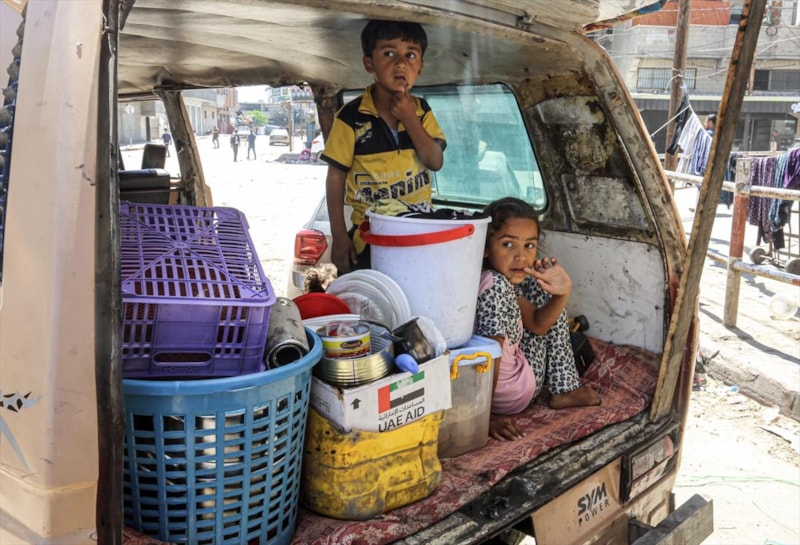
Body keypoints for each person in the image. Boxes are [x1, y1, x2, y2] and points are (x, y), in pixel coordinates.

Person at [321, 19, 446, 275]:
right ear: (369, 63)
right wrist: (339, 235)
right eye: (389, 53)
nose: (401, 63)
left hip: (418, 233)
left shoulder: (421, 111)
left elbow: (435, 161)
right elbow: (335, 177)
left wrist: (409, 119)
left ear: (420, 67)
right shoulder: (350, 117)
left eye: (410, 55)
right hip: (370, 236)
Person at [475, 197, 601, 442]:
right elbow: (491, 350)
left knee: (537, 284)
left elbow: (536, 324)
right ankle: (565, 389)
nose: (521, 256)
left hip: (499, 390)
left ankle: (564, 387)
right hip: (509, 395)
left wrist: (562, 292)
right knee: (542, 291)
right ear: (485, 247)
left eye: (529, 246)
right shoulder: (496, 286)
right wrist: (484, 415)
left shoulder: (484, 277)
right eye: (508, 244)